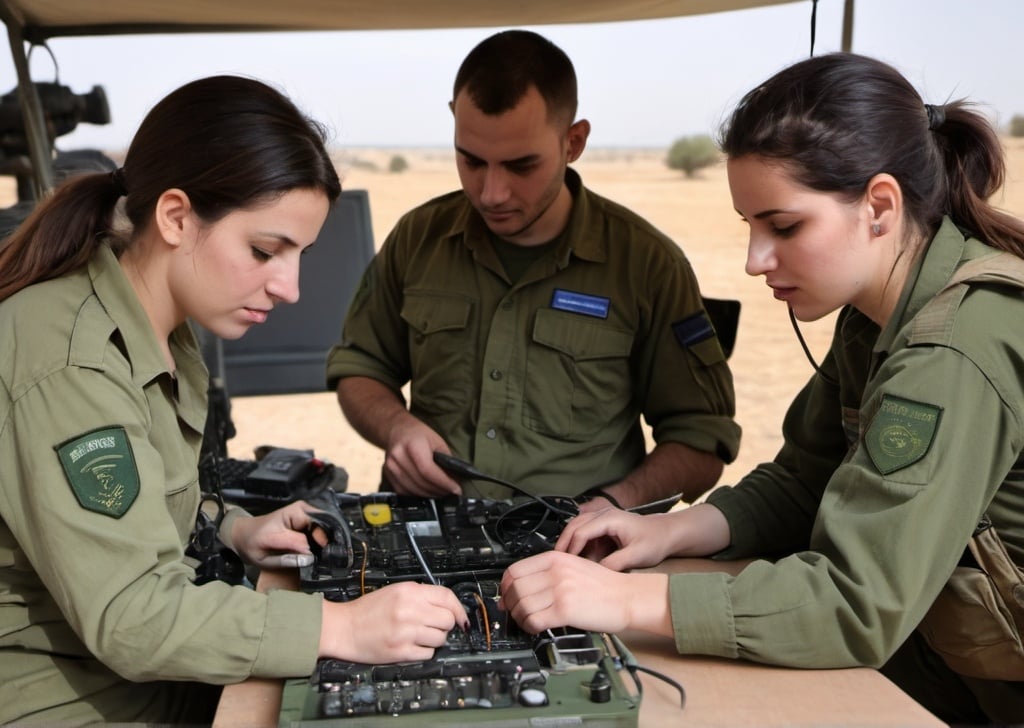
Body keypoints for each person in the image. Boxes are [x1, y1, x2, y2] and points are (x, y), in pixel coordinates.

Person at [499, 52, 1024, 724]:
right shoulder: (879, 315)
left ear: (880, 206)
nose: (755, 261)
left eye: (783, 227)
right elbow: (806, 480)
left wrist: (628, 603)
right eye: (749, 226)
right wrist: (666, 533)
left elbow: (858, 604)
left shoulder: (951, 347)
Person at [0, 75, 467, 725]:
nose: (291, 289)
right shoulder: (70, 360)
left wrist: (233, 529)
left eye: (299, 255)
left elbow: (145, 502)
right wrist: (338, 629)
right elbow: (132, 618)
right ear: (175, 217)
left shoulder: (160, 327)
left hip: (133, 678)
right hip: (64, 698)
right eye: (265, 251)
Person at [327, 30, 740, 511]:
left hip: (578, 553)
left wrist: (615, 504)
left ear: (574, 142)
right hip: (427, 536)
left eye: (521, 165)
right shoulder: (419, 238)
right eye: (471, 161)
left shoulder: (647, 265)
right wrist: (396, 428)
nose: (491, 193)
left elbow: (701, 439)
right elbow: (360, 367)